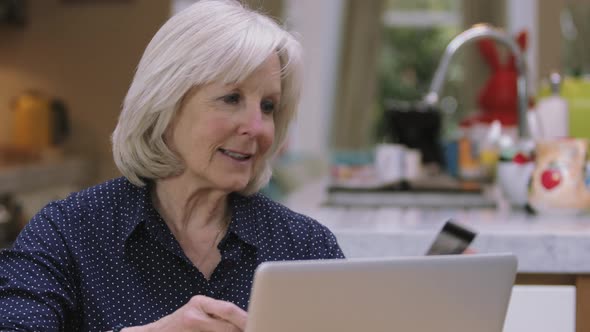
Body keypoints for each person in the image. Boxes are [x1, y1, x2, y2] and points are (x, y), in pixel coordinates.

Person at [0, 1, 345, 331]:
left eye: (268, 106)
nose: (256, 127)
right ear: (165, 106)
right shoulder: (68, 233)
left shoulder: (306, 249)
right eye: (231, 98)